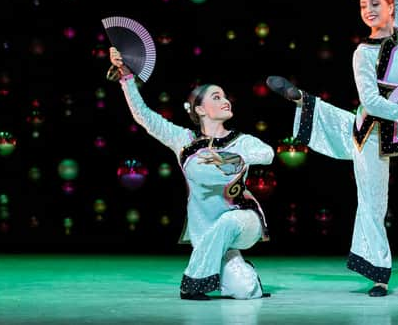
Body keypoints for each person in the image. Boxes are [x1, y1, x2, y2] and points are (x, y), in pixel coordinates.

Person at [266, 0, 398, 297]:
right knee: (373, 199)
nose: (369, 10)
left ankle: (304, 101)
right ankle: (378, 271)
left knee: (349, 126)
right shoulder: (362, 53)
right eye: (363, 6)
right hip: (373, 130)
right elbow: (373, 104)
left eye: (376, 3)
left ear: (392, 7)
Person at [109, 47, 274, 301]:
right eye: (216, 97)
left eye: (225, 96)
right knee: (245, 290)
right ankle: (236, 268)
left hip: (243, 220)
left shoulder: (241, 141)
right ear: (200, 109)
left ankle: (192, 284)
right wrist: (127, 78)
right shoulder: (184, 141)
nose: (225, 100)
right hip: (206, 234)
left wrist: (230, 157)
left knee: (228, 222)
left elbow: (267, 154)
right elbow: (144, 116)